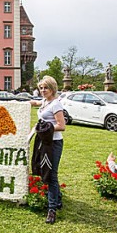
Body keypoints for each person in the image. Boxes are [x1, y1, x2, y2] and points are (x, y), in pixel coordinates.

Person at [29, 76, 66, 224]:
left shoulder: (56, 105)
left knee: (51, 175)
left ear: (52, 89)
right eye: (41, 88)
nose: (43, 91)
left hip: (53, 143)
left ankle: (52, 210)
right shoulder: (45, 102)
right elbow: (36, 103)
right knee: (42, 169)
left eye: (46, 88)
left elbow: (61, 126)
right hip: (43, 141)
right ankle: (57, 199)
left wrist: (45, 128)